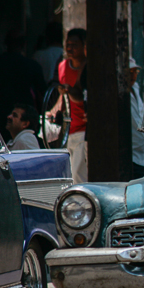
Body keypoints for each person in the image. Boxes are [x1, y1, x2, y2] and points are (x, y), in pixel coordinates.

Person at [0, 29, 47, 142]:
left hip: (1, 114)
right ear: (24, 44)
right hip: (17, 116)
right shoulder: (31, 65)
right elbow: (43, 94)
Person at [57, 28, 88, 184]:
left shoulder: (88, 67)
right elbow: (63, 97)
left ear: (84, 46)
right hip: (70, 129)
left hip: (84, 130)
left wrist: (69, 90)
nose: (70, 48)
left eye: (74, 44)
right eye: (67, 44)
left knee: (79, 176)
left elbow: (80, 95)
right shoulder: (62, 66)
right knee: (70, 176)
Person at [129, 58, 144, 179]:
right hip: (131, 155)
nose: (133, 75)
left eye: (135, 71)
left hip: (143, 154)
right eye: (129, 71)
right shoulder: (121, 93)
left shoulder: (136, 89)